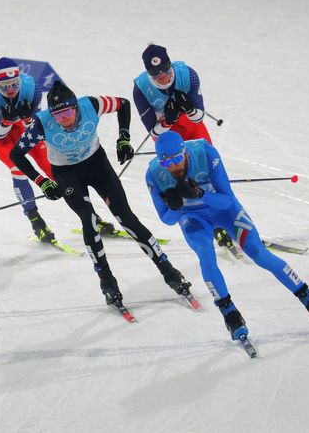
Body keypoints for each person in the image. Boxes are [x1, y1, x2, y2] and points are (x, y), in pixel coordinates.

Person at [10, 80, 192, 307]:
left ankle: (168, 270)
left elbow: (123, 104)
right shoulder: (41, 124)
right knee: (89, 218)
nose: (64, 119)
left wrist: (123, 138)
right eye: (58, 115)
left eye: (67, 111)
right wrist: (42, 182)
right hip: (66, 174)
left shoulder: (91, 105)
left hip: (97, 165)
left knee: (127, 218)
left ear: (75, 107)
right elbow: (16, 154)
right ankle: (107, 280)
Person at [145, 131, 309, 341]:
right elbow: (167, 219)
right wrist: (176, 207)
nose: (173, 167)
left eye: (177, 159)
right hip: (194, 217)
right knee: (206, 254)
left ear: (185, 153)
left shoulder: (205, 153)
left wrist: (200, 194)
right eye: (166, 164)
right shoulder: (153, 174)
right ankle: (230, 315)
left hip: (225, 211)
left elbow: (227, 200)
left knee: (258, 254)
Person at [134, 43, 234, 251]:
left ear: (170, 65)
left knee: (209, 170)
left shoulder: (188, 75)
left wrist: (188, 108)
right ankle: (205, 226)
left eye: (165, 70)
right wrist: (168, 120)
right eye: (155, 73)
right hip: (168, 137)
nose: (162, 76)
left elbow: (198, 116)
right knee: (180, 182)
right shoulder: (141, 88)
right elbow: (153, 132)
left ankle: (226, 220)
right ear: (148, 73)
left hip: (192, 128)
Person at [0, 57, 55, 242]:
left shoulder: (31, 85)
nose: (11, 89)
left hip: (21, 126)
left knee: (51, 166)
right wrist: (7, 121)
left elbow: (37, 128)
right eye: (5, 87)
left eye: (14, 84)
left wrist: (28, 119)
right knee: (18, 168)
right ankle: (36, 221)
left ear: (20, 79)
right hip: (0, 133)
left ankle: (91, 216)